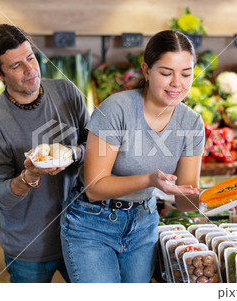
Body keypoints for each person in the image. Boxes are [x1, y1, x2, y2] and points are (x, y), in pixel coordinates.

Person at [61, 30, 208, 283]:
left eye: (186, 74)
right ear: (146, 70)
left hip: (143, 224)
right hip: (91, 223)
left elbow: (186, 200)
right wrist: (150, 180)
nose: (177, 83)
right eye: (166, 73)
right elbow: (95, 187)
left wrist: (217, 201)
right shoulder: (116, 110)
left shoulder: (192, 123)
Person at [0, 24, 90, 283]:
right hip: (28, 247)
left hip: (80, 234)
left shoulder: (67, 92)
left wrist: (73, 153)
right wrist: (28, 176)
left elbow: (97, 146)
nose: (30, 70)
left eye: (31, 58)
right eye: (16, 66)